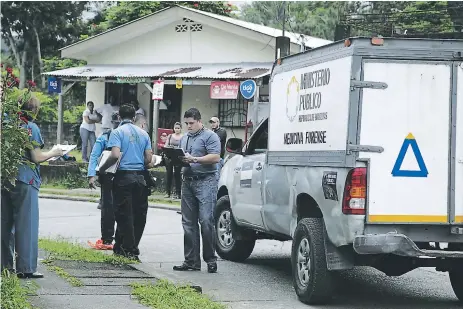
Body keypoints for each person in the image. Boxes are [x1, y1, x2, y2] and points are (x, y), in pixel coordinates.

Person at [1, 96, 63, 278]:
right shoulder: (30, 127)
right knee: (26, 225)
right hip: (25, 180)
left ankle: (4, 266)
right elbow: (36, 157)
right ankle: (26, 268)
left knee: (4, 225)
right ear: (33, 110)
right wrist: (54, 152)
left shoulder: (6, 125)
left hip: (5, 177)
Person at [98, 104, 152, 260]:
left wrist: (102, 169)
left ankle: (129, 249)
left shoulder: (117, 133)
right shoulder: (144, 134)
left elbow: (115, 155)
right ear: (134, 118)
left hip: (123, 178)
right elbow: (148, 159)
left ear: (119, 117)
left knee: (124, 214)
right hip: (140, 178)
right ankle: (122, 247)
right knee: (138, 214)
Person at [173, 108, 221, 273]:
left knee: (206, 221)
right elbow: (182, 157)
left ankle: (210, 259)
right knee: (188, 223)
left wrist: (195, 159)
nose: (188, 126)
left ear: (200, 121)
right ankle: (191, 261)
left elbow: (215, 157)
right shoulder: (184, 138)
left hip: (206, 181)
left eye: (191, 123)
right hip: (187, 181)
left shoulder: (210, 136)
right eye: (186, 123)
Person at [87, 112, 120, 250]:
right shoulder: (105, 137)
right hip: (107, 177)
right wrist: (91, 174)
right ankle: (107, 239)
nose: (117, 124)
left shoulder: (126, 136)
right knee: (108, 208)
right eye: (116, 122)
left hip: (122, 176)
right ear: (112, 123)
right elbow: (94, 154)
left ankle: (120, 240)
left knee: (122, 208)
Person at [163, 122, 183, 199]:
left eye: (178, 128)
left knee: (177, 175)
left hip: (178, 157)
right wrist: (168, 146)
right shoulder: (170, 136)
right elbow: (166, 145)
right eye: (175, 128)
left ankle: (178, 193)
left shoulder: (183, 137)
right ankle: (167, 192)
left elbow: (183, 146)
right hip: (170, 157)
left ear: (180, 129)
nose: (177, 129)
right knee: (169, 174)